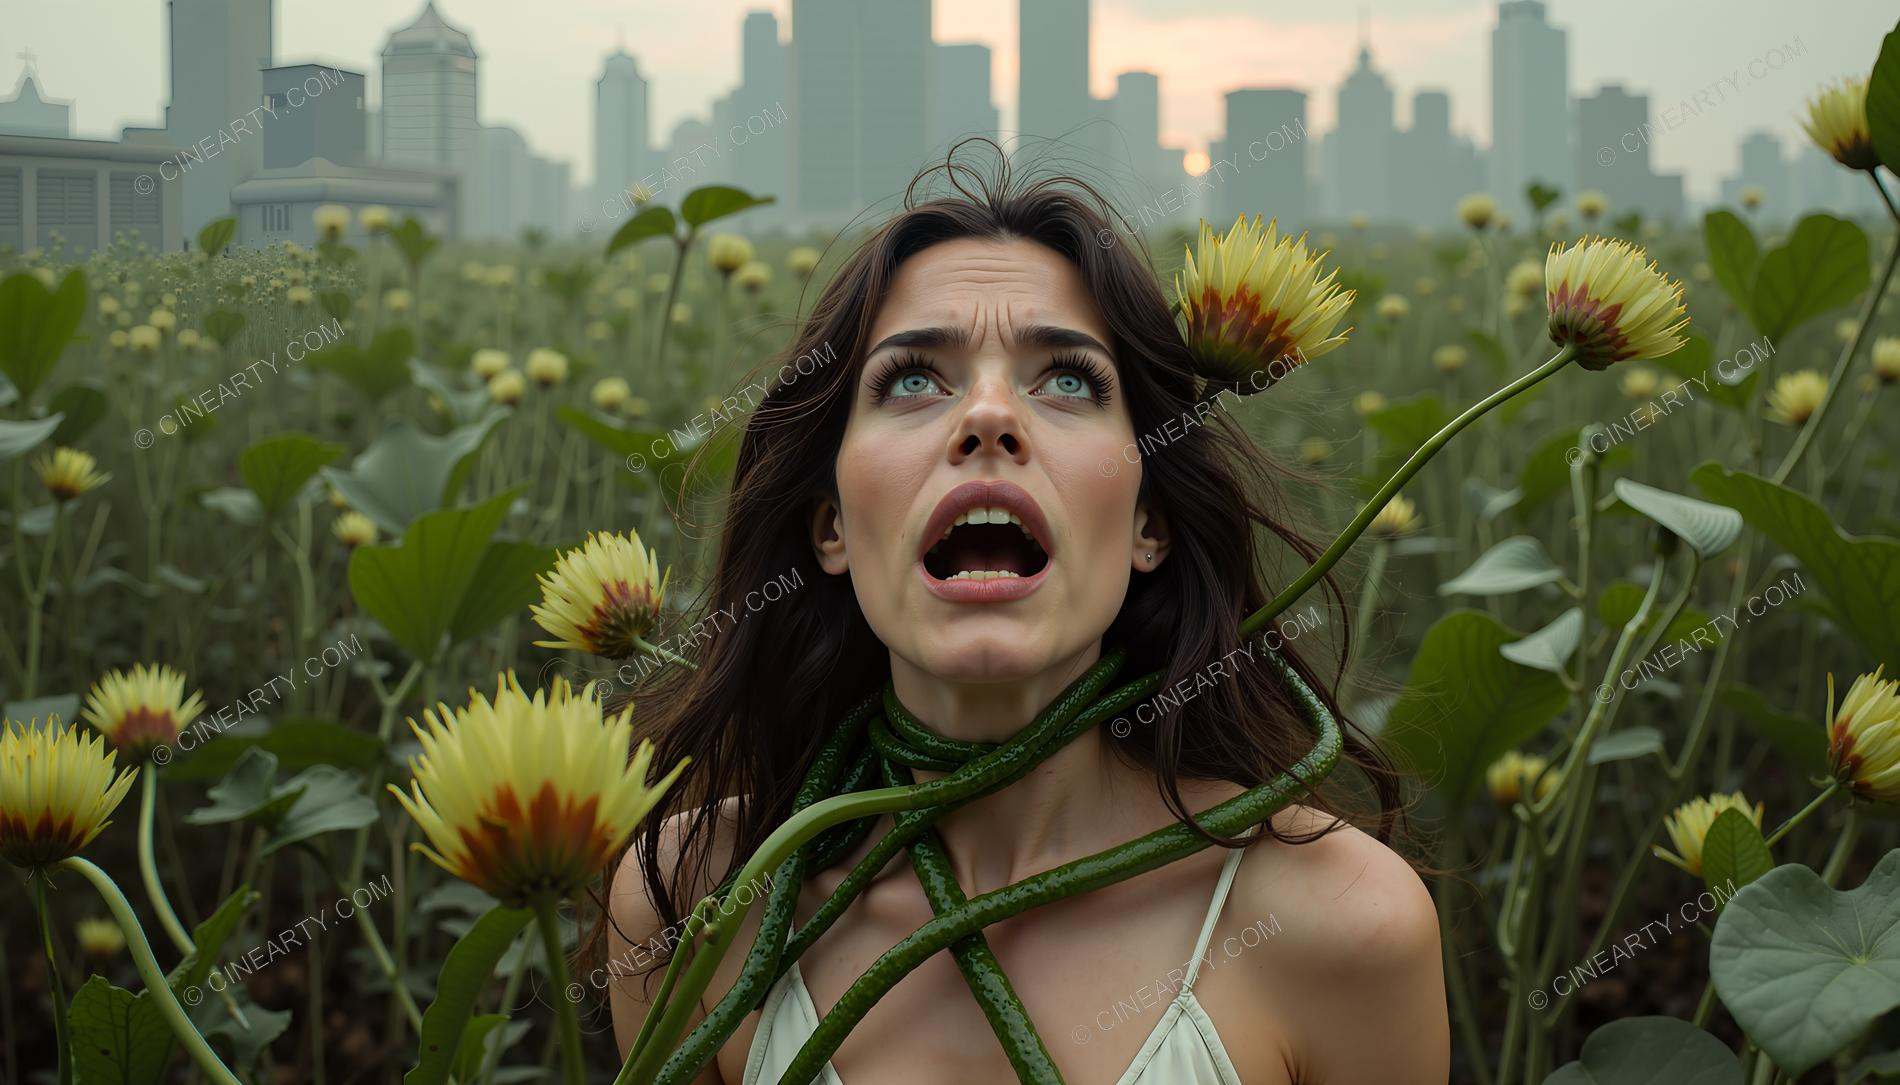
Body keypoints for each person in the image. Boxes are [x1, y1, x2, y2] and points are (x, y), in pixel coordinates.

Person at [603, 141, 1449, 1084]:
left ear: (1150, 524)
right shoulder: (688, 900)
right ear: (830, 526)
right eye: (914, 379)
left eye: (1070, 379)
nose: (990, 415)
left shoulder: (1343, 924)